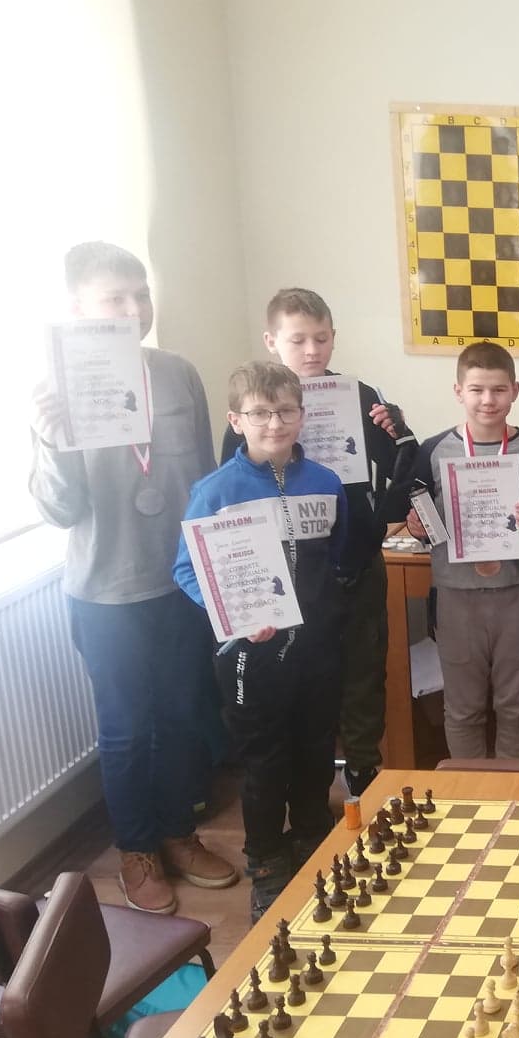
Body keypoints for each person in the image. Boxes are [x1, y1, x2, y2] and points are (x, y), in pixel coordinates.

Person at [30, 242, 235, 913]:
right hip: (106, 592)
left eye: (140, 294)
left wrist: (222, 562)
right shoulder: (57, 390)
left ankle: (177, 833)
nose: (133, 308)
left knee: (182, 716)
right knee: (125, 728)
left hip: (179, 582)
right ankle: (136, 851)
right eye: (114, 298)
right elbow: (60, 510)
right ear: (77, 307)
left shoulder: (177, 374)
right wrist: (54, 442)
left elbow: (204, 478)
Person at [173, 361, 349, 919]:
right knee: (265, 762)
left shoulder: (326, 482)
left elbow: (337, 558)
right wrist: (234, 617)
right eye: (260, 413)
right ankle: (268, 860)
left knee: (316, 748)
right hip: (250, 653)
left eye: (285, 411)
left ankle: (313, 836)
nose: (274, 423)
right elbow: (186, 570)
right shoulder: (215, 492)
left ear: (302, 415)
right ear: (237, 420)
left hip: (315, 649)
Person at [226, 287, 418, 797]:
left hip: (356, 560)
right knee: (297, 677)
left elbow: (402, 468)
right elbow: (229, 487)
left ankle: (362, 772)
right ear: (272, 341)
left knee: (363, 675)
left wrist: (398, 431)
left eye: (321, 338)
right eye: (298, 340)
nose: (312, 350)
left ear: (333, 336)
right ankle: (301, 788)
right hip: (287, 575)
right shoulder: (251, 408)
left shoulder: (359, 394)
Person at [406, 343, 519, 760]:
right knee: (463, 706)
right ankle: (469, 788)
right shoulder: (433, 450)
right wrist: (418, 528)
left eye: (498, 389)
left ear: (515, 391)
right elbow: (420, 518)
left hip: (517, 592)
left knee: (517, 703)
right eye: (476, 389)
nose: (488, 399)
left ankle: (509, 786)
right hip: (456, 595)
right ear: (458, 392)